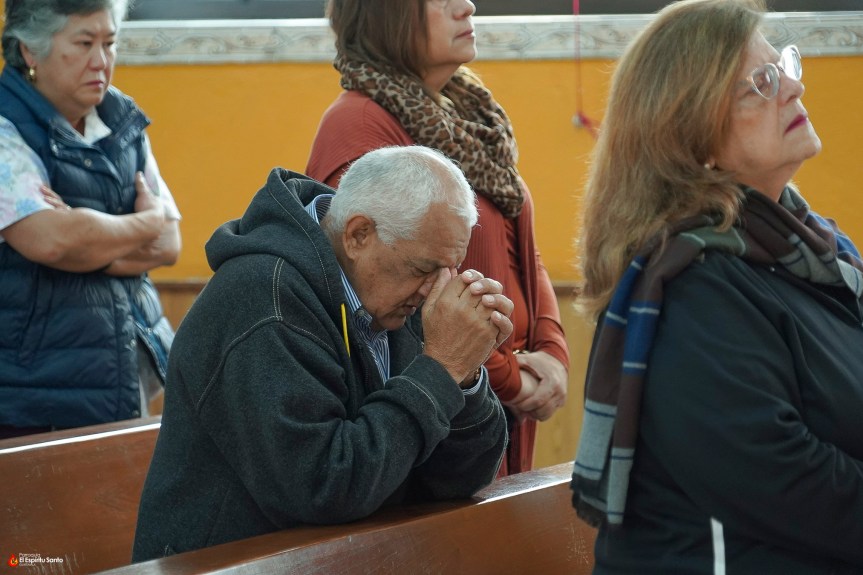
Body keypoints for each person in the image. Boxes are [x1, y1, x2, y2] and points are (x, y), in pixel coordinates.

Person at [570, 0, 863, 572]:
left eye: (783, 67)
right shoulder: (690, 289)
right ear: (692, 139)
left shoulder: (819, 252)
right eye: (761, 83)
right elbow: (786, 483)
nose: (794, 91)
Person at [132, 145, 511, 558]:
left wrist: (465, 374)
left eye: (447, 271)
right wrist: (441, 368)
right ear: (358, 235)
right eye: (423, 270)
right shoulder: (264, 299)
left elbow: (459, 480)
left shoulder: (397, 295)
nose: (435, 291)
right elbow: (324, 488)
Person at [306, 0, 569, 477]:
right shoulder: (362, 126)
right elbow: (394, 291)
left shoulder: (468, 112)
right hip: (446, 407)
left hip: (491, 396)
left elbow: (523, 247)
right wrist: (511, 379)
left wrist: (552, 352)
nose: (466, 6)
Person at [0, 0, 181, 437]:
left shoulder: (121, 120)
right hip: (30, 387)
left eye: (110, 42)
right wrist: (143, 222)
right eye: (84, 43)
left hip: (126, 367)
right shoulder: (7, 125)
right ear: (30, 51)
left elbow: (169, 244)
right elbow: (51, 241)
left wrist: (86, 235)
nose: (101, 61)